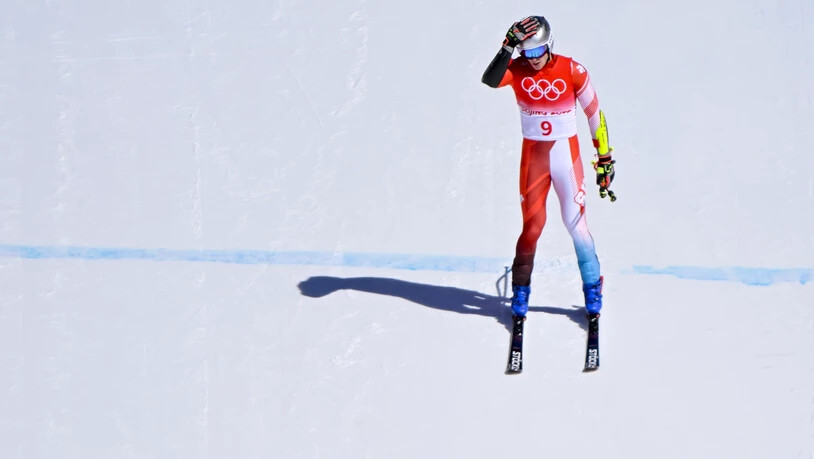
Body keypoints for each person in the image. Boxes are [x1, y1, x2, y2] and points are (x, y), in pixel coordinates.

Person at [481, 16, 616, 324]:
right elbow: (490, 80)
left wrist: (605, 158)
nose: (534, 60)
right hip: (534, 159)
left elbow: (595, 114)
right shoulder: (516, 69)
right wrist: (506, 48)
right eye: (526, 53)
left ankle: (593, 288)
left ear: (550, 45)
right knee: (532, 227)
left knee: (576, 224)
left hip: (565, 158)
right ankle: (521, 290)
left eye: (538, 51)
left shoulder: (572, 70)